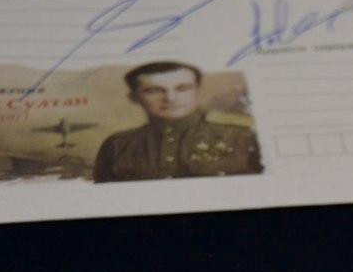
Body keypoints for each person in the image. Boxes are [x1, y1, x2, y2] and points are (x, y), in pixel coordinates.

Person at [93, 61, 263, 182]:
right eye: (154, 90)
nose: (171, 98)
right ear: (134, 98)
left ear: (197, 91)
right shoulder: (117, 145)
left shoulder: (243, 136)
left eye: (183, 88)